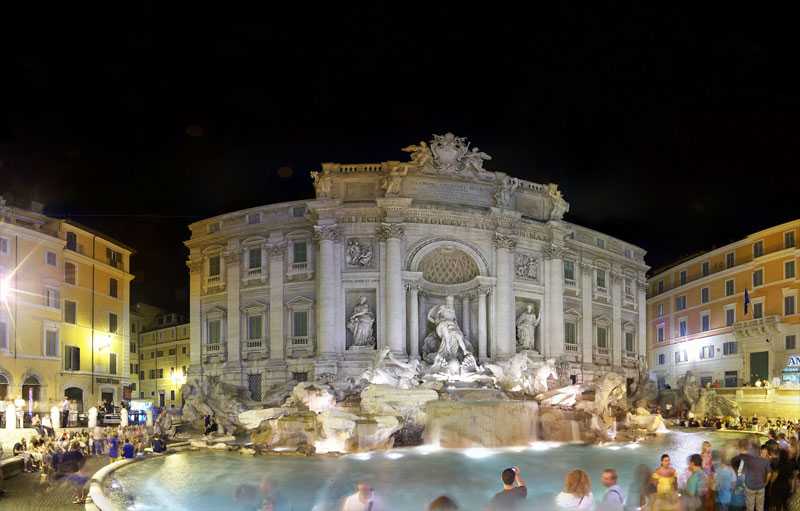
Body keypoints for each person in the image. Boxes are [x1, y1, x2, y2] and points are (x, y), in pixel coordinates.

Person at [731, 439, 771, 511]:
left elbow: (740, 473)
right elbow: (769, 474)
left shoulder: (746, 459)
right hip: (761, 486)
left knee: (750, 507)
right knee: (760, 507)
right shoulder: (765, 460)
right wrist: (766, 483)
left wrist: (743, 484)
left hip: (750, 487)